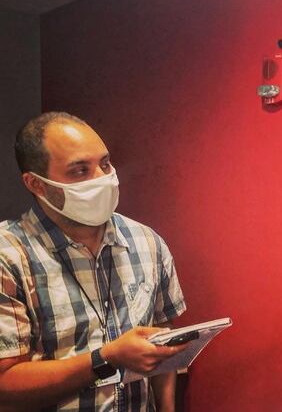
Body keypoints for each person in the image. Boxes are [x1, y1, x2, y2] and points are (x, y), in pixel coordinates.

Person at [0, 112, 188, 412]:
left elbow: (164, 347)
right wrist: (106, 358)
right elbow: (4, 384)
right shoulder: (8, 256)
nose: (102, 179)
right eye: (80, 171)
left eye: (105, 164)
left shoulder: (147, 241)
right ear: (36, 184)